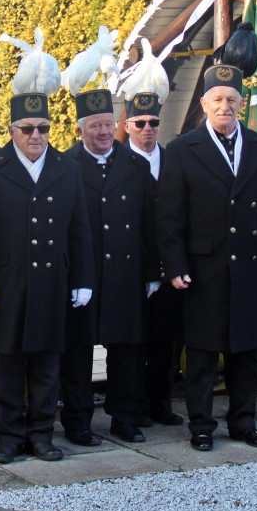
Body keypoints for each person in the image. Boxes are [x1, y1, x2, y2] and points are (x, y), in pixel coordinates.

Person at [157, 63, 257, 452]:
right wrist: (175, 265)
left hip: (251, 265)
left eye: (232, 99)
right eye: (217, 99)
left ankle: (243, 422)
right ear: (204, 103)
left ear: (241, 103)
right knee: (203, 352)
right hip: (205, 268)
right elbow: (169, 216)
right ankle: (201, 425)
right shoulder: (182, 149)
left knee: (247, 351)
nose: (225, 106)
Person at [0, 61, 94, 464]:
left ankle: (41, 435)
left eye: (43, 128)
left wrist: (83, 279)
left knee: (46, 365)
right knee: (5, 365)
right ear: (11, 131)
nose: (36, 136)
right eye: (27, 129)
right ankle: (8, 437)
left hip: (52, 282)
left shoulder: (67, 169)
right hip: (5, 283)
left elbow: (80, 229)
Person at [62, 87, 159, 446]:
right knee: (77, 353)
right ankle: (78, 422)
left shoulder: (136, 166)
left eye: (108, 124)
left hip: (125, 274)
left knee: (127, 351)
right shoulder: (65, 165)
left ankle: (125, 418)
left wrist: (152, 272)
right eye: (95, 126)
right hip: (83, 276)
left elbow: (149, 223)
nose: (104, 132)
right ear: (80, 130)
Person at [123, 91, 184, 428]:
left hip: (169, 267)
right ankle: (134, 405)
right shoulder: (118, 162)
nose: (147, 129)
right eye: (140, 123)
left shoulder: (174, 160)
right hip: (133, 267)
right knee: (133, 343)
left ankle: (161, 403)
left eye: (154, 122)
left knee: (166, 342)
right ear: (128, 126)